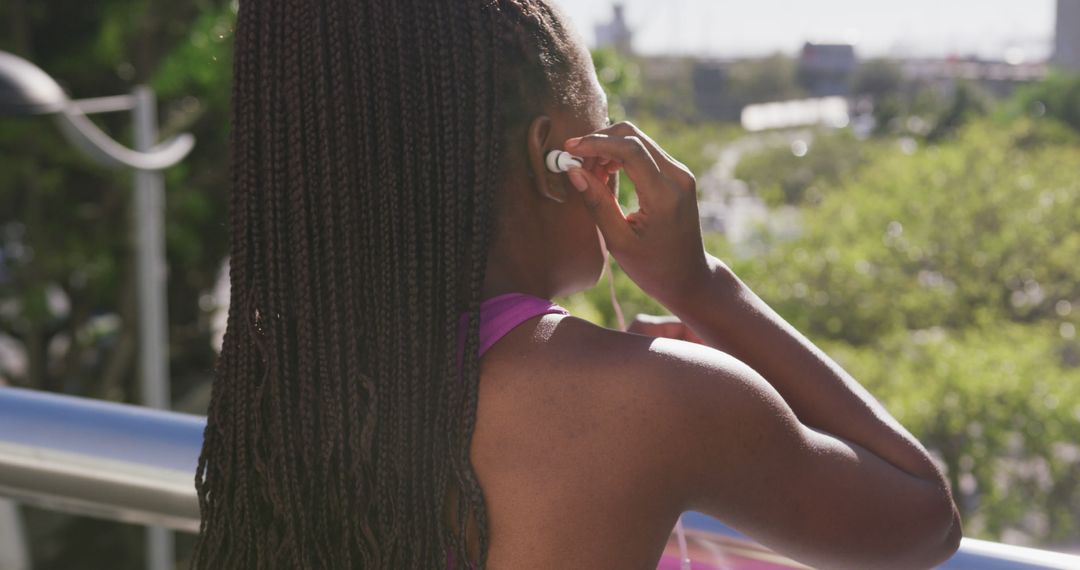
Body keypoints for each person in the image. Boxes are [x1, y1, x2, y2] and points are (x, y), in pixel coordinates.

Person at [189, 0, 963, 568]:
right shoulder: (647, 400)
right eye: (600, 120)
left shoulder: (285, 377)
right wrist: (703, 288)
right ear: (550, 158)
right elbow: (924, 518)